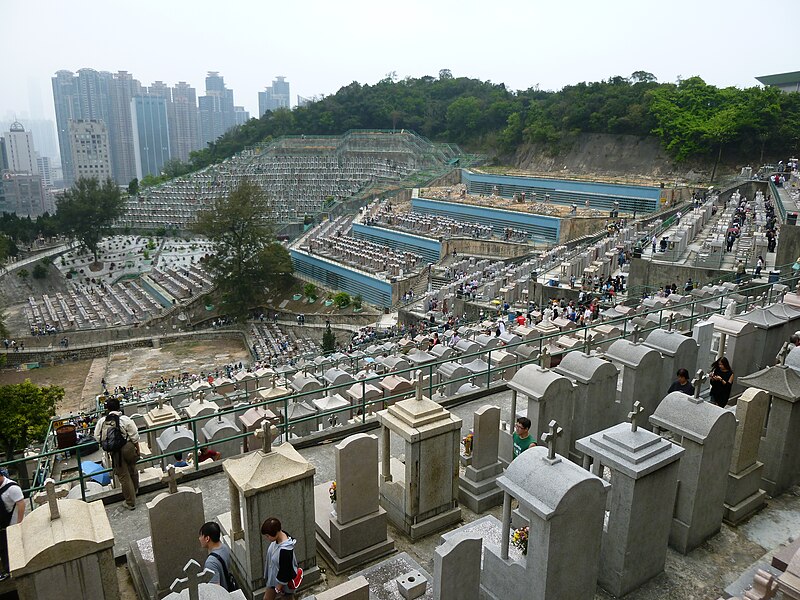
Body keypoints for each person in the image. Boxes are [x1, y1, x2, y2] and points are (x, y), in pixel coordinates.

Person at [94, 397, 140, 510]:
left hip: (116, 452)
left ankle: (130, 502)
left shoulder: (102, 422)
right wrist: (137, 449)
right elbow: (134, 435)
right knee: (132, 468)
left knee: (124, 476)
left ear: (107, 409)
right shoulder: (125, 419)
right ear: (119, 407)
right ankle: (135, 491)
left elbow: (97, 437)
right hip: (128, 447)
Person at [261, 517, 300, 599]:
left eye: (268, 536)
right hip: (274, 578)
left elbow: (285, 571)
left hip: (281, 584)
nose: (267, 538)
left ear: (276, 533)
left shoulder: (285, 551)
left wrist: (278, 587)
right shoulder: (281, 537)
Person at [0, 468, 25, 581]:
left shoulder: (12, 488)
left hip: (9, 523)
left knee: (7, 548)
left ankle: (10, 571)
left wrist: (19, 523)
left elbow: (21, 504)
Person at [199, 522, 233, 589]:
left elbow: (215, 589)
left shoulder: (211, 563)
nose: (199, 538)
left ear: (207, 538)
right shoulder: (224, 547)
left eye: (200, 535)